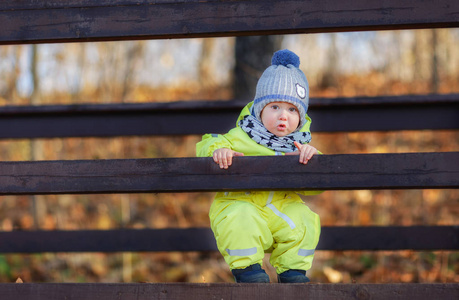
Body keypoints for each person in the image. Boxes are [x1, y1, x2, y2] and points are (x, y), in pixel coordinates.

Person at [196, 49, 321, 283]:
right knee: (239, 218)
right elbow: (209, 141)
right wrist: (218, 151)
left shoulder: (300, 145)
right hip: (243, 202)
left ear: (301, 115)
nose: (283, 116)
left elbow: (318, 185)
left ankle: (293, 274)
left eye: (292, 109)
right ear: (260, 109)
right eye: (275, 107)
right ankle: (249, 273)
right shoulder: (242, 135)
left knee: (304, 219)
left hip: (281, 208)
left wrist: (311, 158)